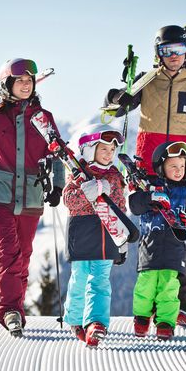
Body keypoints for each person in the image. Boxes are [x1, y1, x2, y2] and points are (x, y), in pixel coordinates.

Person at [105, 24, 186, 327]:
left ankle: (178, 307)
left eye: (179, 51)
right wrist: (119, 93)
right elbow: (114, 111)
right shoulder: (147, 81)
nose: (173, 57)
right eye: (166, 51)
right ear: (158, 53)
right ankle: (149, 304)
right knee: (151, 234)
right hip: (149, 168)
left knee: (184, 235)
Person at [0, 58, 65, 336]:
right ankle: (9, 311)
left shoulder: (43, 118)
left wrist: (57, 186)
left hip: (31, 195)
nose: (26, 84)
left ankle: (16, 308)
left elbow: (56, 153)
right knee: (9, 251)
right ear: (8, 84)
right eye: (20, 80)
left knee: (24, 255)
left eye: (29, 80)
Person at [129, 141, 186, 340]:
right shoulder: (150, 187)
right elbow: (134, 205)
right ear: (162, 167)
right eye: (173, 166)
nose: (179, 170)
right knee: (146, 285)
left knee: (169, 287)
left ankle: (165, 322)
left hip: (175, 249)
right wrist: (150, 197)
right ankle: (142, 318)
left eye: (182, 166)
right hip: (149, 248)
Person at [62, 127, 127, 348]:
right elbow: (70, 201)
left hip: (107, 235)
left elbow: (120, 206)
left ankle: (96, 323)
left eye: (112, 149)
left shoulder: (115, 175)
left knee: (100, 280)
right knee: (80, 278)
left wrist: (122, 240)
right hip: (81, 234)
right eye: (103, 149)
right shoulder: (77, 173)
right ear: (89, 150)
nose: (109, 154)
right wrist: (89, 191)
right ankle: (75, 320)